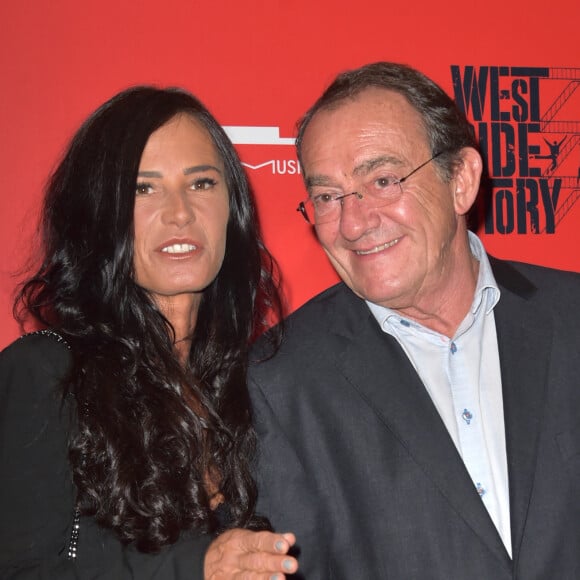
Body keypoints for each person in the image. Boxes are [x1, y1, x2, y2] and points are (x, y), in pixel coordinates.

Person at [248, 62, 580, 579]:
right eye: (327, 197)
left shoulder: (572, 320)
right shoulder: (279, 382)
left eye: (383, 180)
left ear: (462, 181)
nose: (353, 223)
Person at [0, 86, 299, 579]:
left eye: (202, 184)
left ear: (233, 208)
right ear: (100, 214)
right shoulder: (46, 374)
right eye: (143, 188)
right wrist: (193, 569)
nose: (180, 212)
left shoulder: (256, 385)